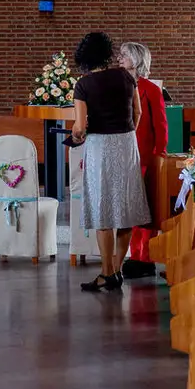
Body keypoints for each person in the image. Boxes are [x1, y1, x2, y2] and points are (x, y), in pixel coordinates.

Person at [69, 31, 149, 293]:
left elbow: (80, 128)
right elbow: (137, 112)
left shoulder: (83, 85)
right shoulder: (126, 76)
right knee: (125, 208)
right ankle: (117, 268)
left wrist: (75, 134)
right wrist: (128, 133)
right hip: (127, 144)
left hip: (101, 147)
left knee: (103, 210)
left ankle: (107, 272)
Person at [120, 41, 168, 279]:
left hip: (146, 157)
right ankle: (134, 254)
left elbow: (161, 126)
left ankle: (145, 257)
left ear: (136, 60)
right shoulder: (120, 86)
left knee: (145, 211)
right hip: (126, 155)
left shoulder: (150, 89)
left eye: (125, 55)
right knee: (131, 210)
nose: (120, 59)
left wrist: (159, 155)